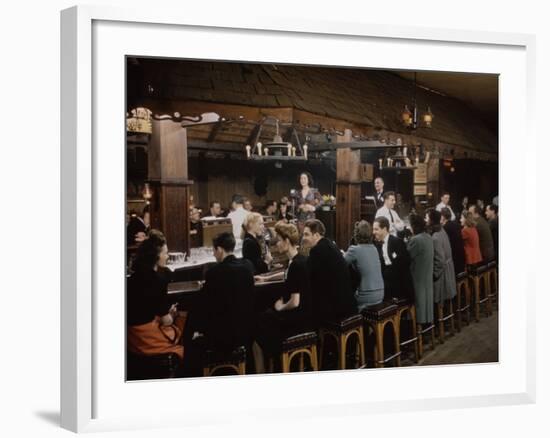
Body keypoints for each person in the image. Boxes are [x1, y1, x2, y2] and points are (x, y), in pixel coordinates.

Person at [183, 232, 255, 376]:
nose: (214, 255)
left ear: (220, 250)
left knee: (191, 341)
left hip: (223, 338)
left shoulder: (214, 272)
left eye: (214, 251)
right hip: (246, 332)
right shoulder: (247, 267)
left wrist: (189, 332)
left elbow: (203, 306)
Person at [254, 222, 312, 369]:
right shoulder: (299, 259)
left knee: (259, 324)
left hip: (298, 320)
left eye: (279, 240)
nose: (276, 244)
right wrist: (266, 278)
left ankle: (272, 367)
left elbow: (295, 302)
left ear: (287, 241)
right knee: (264, 317)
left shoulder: (296, 265)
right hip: (306, 315)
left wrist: (280, 307)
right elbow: (286, 273)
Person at [127, 230, 186, 362]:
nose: (167, 256)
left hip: (131, 339)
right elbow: (166, 321)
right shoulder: (158, 281)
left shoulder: (131, 279)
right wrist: (173, 314)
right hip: (148, 339)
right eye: (165, 253)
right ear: (156, 256)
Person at [302, 219, 356, 324]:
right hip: (347, 303)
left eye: (306, 234)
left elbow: (307, 276)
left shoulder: (317, 250)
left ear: (316, 235)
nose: (303, 238)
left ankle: (316, 339)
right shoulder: (331, 245)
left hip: (336, 310)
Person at [343, 221, 385, 311]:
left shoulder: (354, 250)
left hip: (366, 297)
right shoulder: (374, 248)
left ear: (356, 234)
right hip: (380, 294)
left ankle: (355, 323)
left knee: (344, 301)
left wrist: (342, 254)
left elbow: (340, 264)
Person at [372, 216, 414, 302]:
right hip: (385, 283)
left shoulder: (397, 242)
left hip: (399, 285)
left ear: (384, 229)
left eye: (376, 229)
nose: (373, 232)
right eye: (373, 229)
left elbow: (404, 265)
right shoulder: (375, 245)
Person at [406, 214, 434, 325]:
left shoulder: (415, 240)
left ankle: (411, 327)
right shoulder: (428, 236)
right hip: (426, 277)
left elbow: (407, 257)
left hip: (417, 278)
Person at [426, 209, 457, 304]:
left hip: (443, 277)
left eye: (426, 217)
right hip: (448, 271)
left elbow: (440, 261)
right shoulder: (441, 230)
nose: (425, 220)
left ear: (431, 220)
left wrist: (433, 275)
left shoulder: (435, 237)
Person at [441, 207, 466, 275]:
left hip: (454, 259)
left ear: (442, 217)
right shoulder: (457, 224)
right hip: (462, 256)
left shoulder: (445, 228)